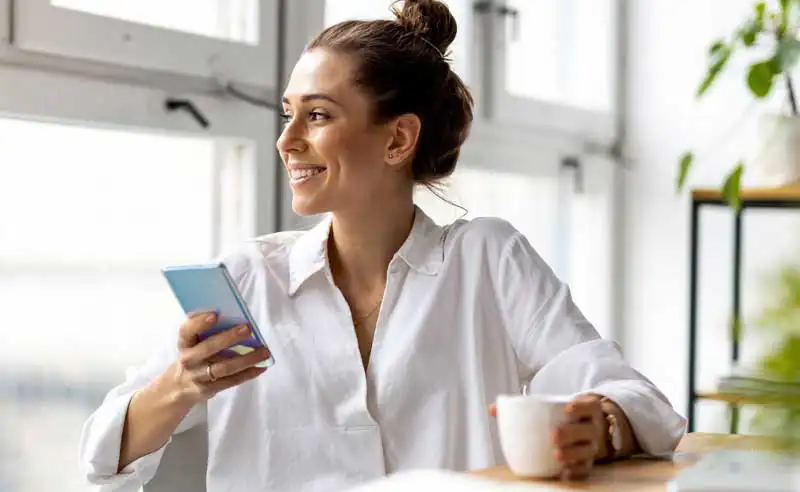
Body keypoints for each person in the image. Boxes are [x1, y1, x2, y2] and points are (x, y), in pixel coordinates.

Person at [79, 1, 686, 490]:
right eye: (287, 113)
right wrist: (181, 385)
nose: (286, 140)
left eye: (317, 115)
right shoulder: (247, 278)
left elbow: (637, 400)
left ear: (397, 140)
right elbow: (102, 455)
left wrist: (600, 425)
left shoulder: (488, 260)